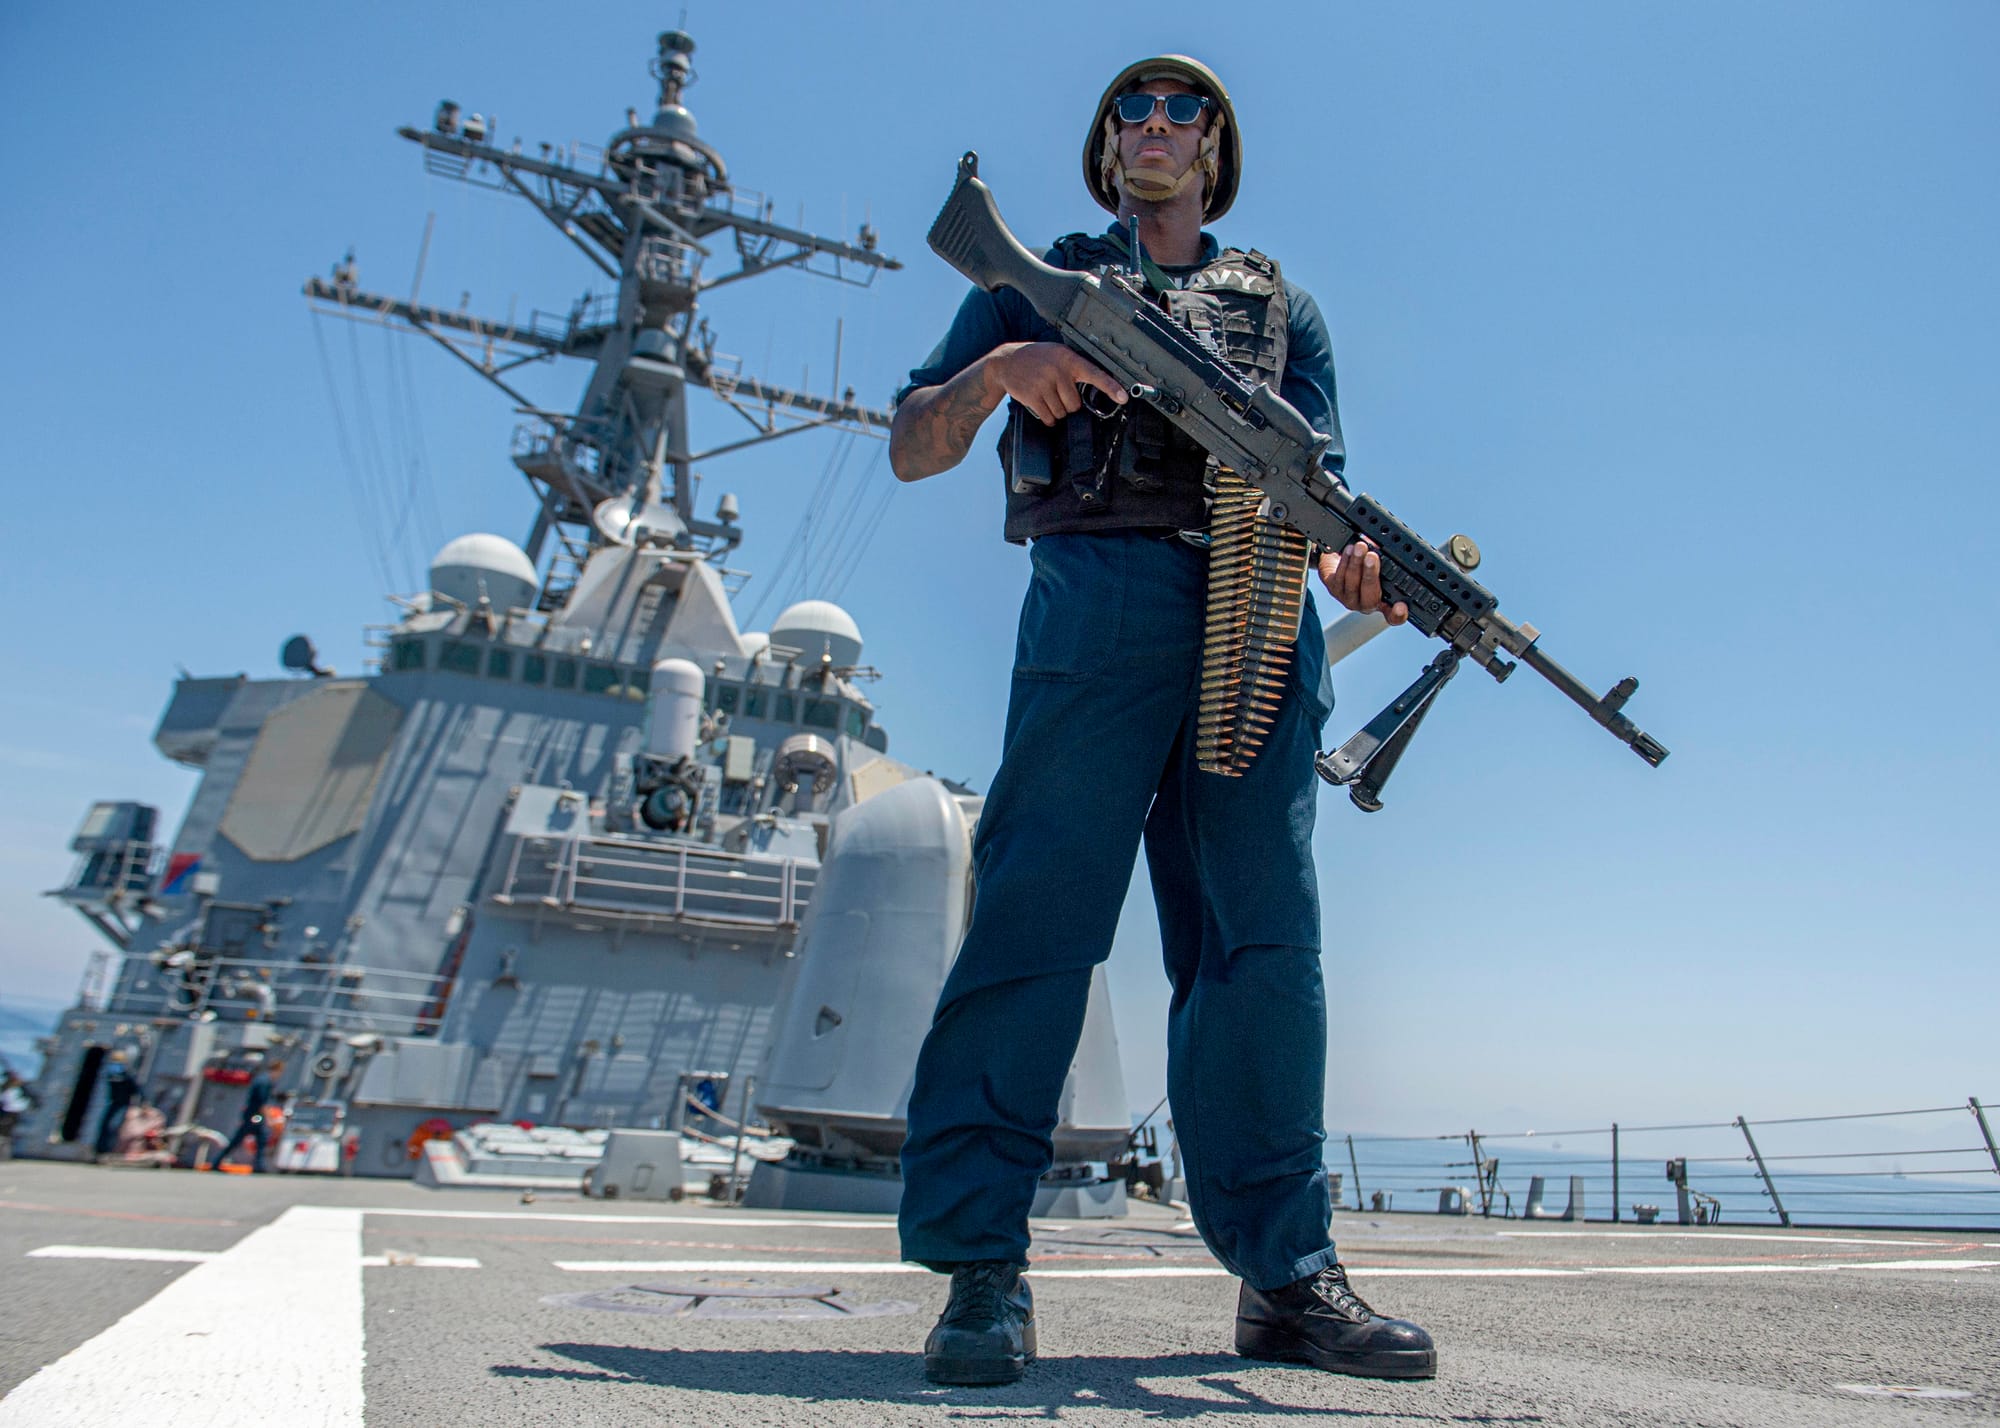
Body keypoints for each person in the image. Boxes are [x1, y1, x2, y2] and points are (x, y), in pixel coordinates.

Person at [889, 55, 1435, 1386]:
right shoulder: (1032, 281)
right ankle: (980, 1270)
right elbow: (912, 440)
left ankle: (1288, 1276)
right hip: (1098, 600)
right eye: (1131, 107)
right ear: (1105, 145)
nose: (1154, 124)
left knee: (1264, 949)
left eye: (1184, 109)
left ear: (1216, 150)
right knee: (1036, 921)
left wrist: (1360, 570)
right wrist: (1007, 366)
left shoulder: (1285, 313)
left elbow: (1325, 497)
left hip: (1254, 610)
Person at [215, 1059, 283, 1173]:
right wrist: (269, 1119)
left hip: (253, 1116)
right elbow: (262, 1102)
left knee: (259, 1139)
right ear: (276, 1070)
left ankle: (259, 1166)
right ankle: (258, 1166)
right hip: (255, 1117)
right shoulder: (265, 1082)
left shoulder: (261, 1080)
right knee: (244, 1139)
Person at [92, 1050, 139, 1158]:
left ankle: (109, 1151)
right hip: (114, 1103)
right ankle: (101, 1150)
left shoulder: (125, 1075)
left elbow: (136, 1090)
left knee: (114, 1127)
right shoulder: (113, 1073)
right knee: (106, 1126)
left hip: (123, 1105)